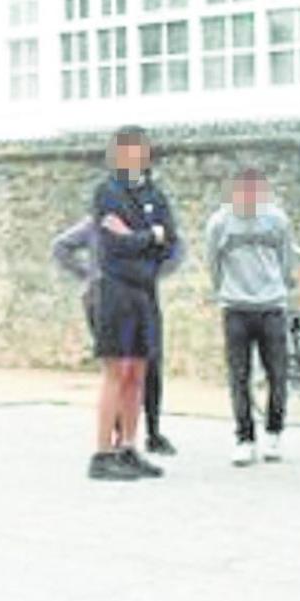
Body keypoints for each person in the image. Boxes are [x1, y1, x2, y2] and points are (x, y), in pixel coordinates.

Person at [86, 125, 179, 481]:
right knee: (117, 370)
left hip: (145, 291)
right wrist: (149, 235)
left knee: (139, 372)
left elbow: (169, 241)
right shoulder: (106, 193)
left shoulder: (155, 193)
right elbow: (115, 245)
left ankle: (128, 446)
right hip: (115, 291)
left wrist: (143, 236)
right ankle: (102, 453)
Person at [52, 215, 184, 456]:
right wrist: (89, 274)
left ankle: (151, 432)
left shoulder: (149, 224)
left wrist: (152, 273)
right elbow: (61, 246)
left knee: (149, 365)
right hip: (103, 298)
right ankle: (117, 435)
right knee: (118, 369)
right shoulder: (97, 222)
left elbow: (176, 248)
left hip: (141, 296)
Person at [205, 168, 297, 466]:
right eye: (242, 192)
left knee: (278, 375)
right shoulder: (220, 224)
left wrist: (277, 289)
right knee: (239, 376)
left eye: (254, 192)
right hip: (236, 309)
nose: (248, 198)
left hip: (271, 307)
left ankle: (274, 432)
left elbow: (286, 261)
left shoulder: (277, 221)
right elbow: (213, 264)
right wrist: (227, 293)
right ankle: (244, 438)